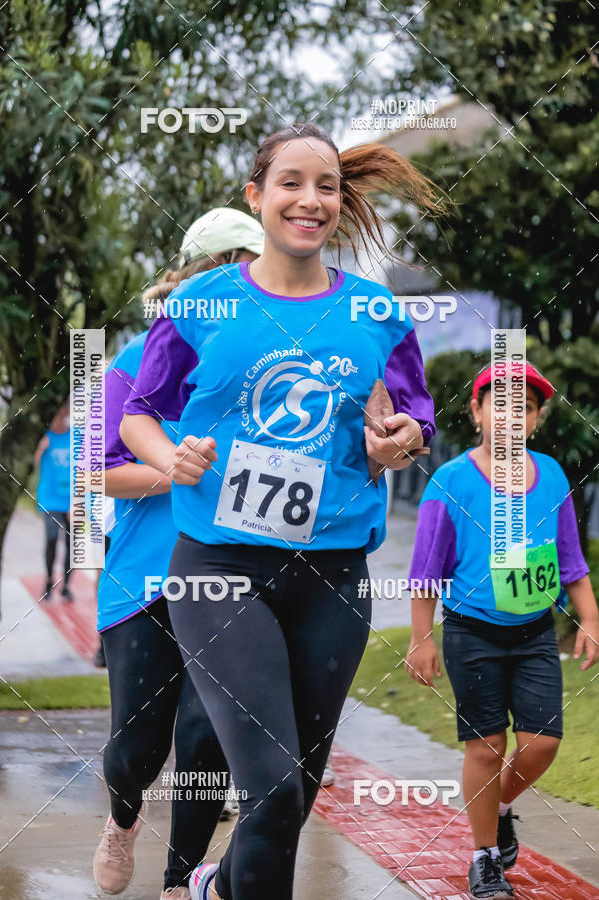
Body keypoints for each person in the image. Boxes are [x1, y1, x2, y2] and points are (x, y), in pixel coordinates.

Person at [120, 122, 443, 900]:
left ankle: (214, 887)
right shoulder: (202, 304)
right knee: (275, 789)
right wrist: (171, 460)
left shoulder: (376, 312)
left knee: (293, 792)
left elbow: (415, 418)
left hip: (333, 575)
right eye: (291, 183)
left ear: (339, 202)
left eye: (326, 186)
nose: (311, 199)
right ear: (256, 197)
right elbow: (139, 413)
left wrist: (401, 438)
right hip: (219, 568)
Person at [92, 208, 264, 900]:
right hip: (144, 581)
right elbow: (100, 472)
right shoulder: (134, 365)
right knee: (137, 747)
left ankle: (176, 884)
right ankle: (122, 820)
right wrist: (179, 469)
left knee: (205, 738)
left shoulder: (269, 370)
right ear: (186, 283)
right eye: (220, 271)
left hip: (232, 578)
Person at [406, 363, 599, 899]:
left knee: (540, 744)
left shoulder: (554, 477)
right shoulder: (451, 483)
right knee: (487, 748)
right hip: (472, 635)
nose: (512, 417)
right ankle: (485, 857)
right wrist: (422, 639)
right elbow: (425, 573)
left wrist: (591, 617)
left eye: (526, 408)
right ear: (477, 412)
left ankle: (501, 807)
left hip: (535, 634)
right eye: (500, 404)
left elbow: (570, 560)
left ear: (537, 419)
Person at [34, 400, 72, 601]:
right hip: (49, 499)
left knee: (71, 544)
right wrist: (40, 449)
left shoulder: (76, 436)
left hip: (72, 500)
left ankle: (65, 586)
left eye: (63, 410)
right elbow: (34, 466)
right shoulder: (44, 436)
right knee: (51, 539)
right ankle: (49, 581)